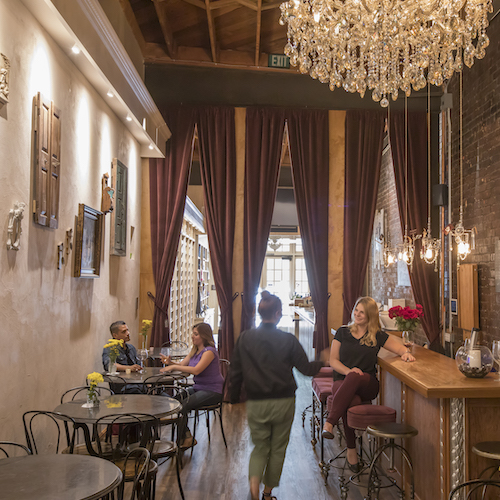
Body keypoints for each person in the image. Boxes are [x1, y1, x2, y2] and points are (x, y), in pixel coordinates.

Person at [229, 291, 325, 500]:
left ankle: (254, 485)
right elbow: (306, 369)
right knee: (278, 448)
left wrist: (233, 398)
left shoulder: (245, 338)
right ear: (278, 313)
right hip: (283, 401)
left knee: (260, 446)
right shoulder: (288, 340)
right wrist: (324, 361)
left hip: (256, 402)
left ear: (259, 312)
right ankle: (267, 492)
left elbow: (235, 371)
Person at [322, 296, 415, 472]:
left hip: (367, 383)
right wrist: (348, 372)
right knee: (351, 399)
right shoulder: (342, 332)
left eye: (362, 312)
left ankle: (330, 423)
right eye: (356, 310)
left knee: (356, 376)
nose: (357, 314)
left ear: (370, 315)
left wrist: (405, 353)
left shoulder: (378, 336)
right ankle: (352, 450)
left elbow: (400, 348)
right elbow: (333, 360)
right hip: (342, 379)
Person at [160, 322, 223, 448]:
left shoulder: (209, 352)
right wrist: (170, 362)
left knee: (183, 406)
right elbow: (182, 365)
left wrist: (172, 366)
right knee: (175, 402)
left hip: (213, 390)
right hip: (198, 387)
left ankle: (184, 438)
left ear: (204, 336)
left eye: (196, 334)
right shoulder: (195, 350)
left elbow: (196, 370)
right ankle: (187, 436)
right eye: (193, 334)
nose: (193, 337)